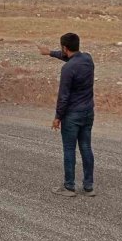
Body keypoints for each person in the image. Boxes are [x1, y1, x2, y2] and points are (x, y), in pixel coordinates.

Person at [38, 33, 96, 197]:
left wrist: (57, 117)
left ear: (64, 48)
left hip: (72, 115)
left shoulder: (68, 69)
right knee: (86, 147)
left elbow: (63, 97)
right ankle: (88, 186)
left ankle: (69, 186)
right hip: (88, 112)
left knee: (69, 149)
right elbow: (71, 59)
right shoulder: (88, 59)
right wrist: (49, 52)